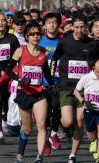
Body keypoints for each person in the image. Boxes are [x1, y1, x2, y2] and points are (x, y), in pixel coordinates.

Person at [52, 15, 99, 163]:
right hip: (66, 86)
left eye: (82, 27)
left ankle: (72, 155)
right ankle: (64, 130)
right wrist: (52, 79)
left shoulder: (92, 44)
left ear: (86, 28)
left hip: (85, 88)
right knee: (68, 122)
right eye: (76, 27)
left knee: (80, 121)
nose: (79, 30)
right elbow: (54, 59)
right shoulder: (64, 42)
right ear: (72, 27)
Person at [6, 22, 52, 163]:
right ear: (27, 36)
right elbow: (8, 70)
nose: (36, 36)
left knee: (41, 125)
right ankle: (20, 153)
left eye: (38, 33)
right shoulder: (21, 50)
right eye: (32, 34)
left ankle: (39, 157)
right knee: (27, 129)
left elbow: (46, 73)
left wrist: (52, 85)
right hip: (24, 93)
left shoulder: (44, 52)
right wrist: (20, 79)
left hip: (39, 94)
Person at [73, 55, 99, 163]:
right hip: (89, 110)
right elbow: (76, 91)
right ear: (93, 66)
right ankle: (93, 141)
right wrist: (83, 102)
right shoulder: (86, 77)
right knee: (91, 133)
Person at [0, 11, 20, 143]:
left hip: (9, 76)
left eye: (4, 20)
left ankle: (4, 119)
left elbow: (18, 56)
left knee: (8, 102)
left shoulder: (12, 39)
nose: (2, 23)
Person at [39, 12, 62, 151]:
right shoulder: (40, 41)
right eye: (49, 22)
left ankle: (54, 132)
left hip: (59, 81)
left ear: (59, 25)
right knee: (45, 112)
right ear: (44, 26)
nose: (52, 25)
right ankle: (46, 138)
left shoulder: (63, 41)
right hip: (43, 81)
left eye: (54, 22)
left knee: (57, 107)